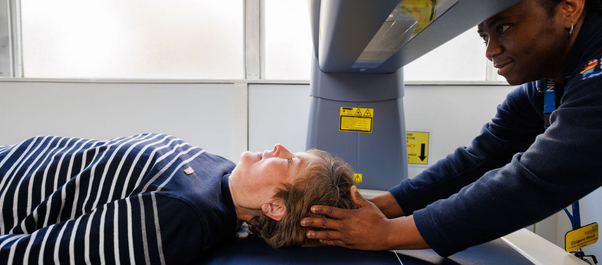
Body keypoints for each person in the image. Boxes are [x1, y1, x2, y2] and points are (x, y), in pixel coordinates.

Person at [300, 0, 602, 263]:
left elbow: (534, 180)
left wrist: (388, 232)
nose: (490, 51)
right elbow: (479, 158)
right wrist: (379, 206)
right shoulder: (551, 81)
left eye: (503, 28)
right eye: (484, 35)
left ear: (569, 7)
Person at [0, 133, 356, 264]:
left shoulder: (179, 218)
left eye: (290, 161)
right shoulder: (221, 173)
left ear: (275, 207)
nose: (279, 147)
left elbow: (31, 255)